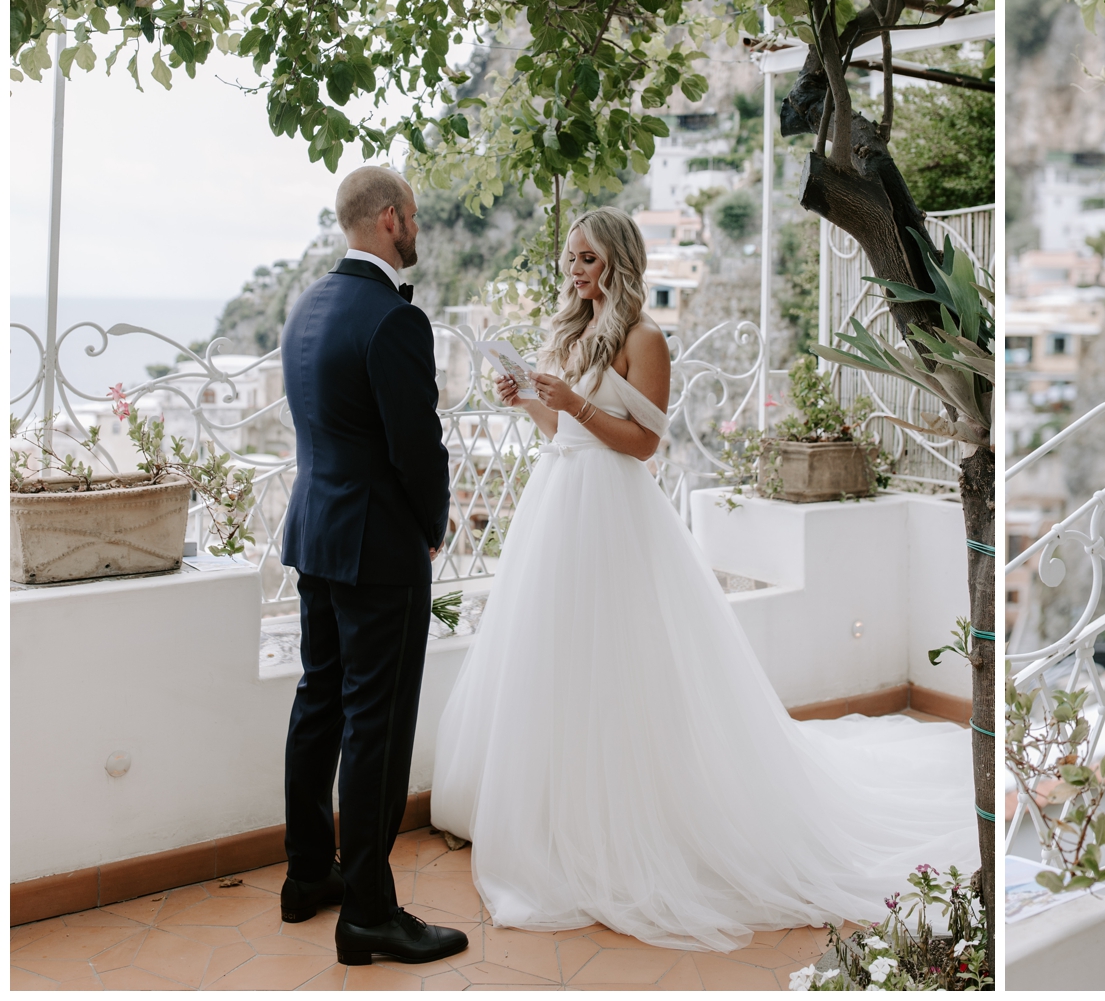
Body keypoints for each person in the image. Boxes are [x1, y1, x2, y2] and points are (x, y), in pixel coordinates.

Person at [430, 206, 973, 949]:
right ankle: (551, 810)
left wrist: (572, 399)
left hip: (613, 513)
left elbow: (644, 443)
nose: (576, 270)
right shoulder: (579, 331)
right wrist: (531, 401)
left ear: (619, 259)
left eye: (588, 258)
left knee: (620, 656)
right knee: (555, 655)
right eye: (571, 258)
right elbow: (570, 435)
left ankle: (627, 818)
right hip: (558, 504)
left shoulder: (646, 337)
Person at [279, 165, 469, 967]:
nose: (417, 229)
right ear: (391, 218)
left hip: (315, 534)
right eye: (414, 216)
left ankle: (306, 875)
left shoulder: (306, 307)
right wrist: (433, 522)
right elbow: (415, 447)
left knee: (318, 702)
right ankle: (367, 909)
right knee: (377, 728)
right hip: (378, 548)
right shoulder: (393, 319)